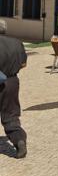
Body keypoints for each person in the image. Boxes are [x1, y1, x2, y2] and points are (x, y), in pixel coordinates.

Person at [0, 21, 27, 159]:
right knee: (10, 115)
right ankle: (19, 140)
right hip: (11, 82)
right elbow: (23, 64)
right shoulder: (17, 42)